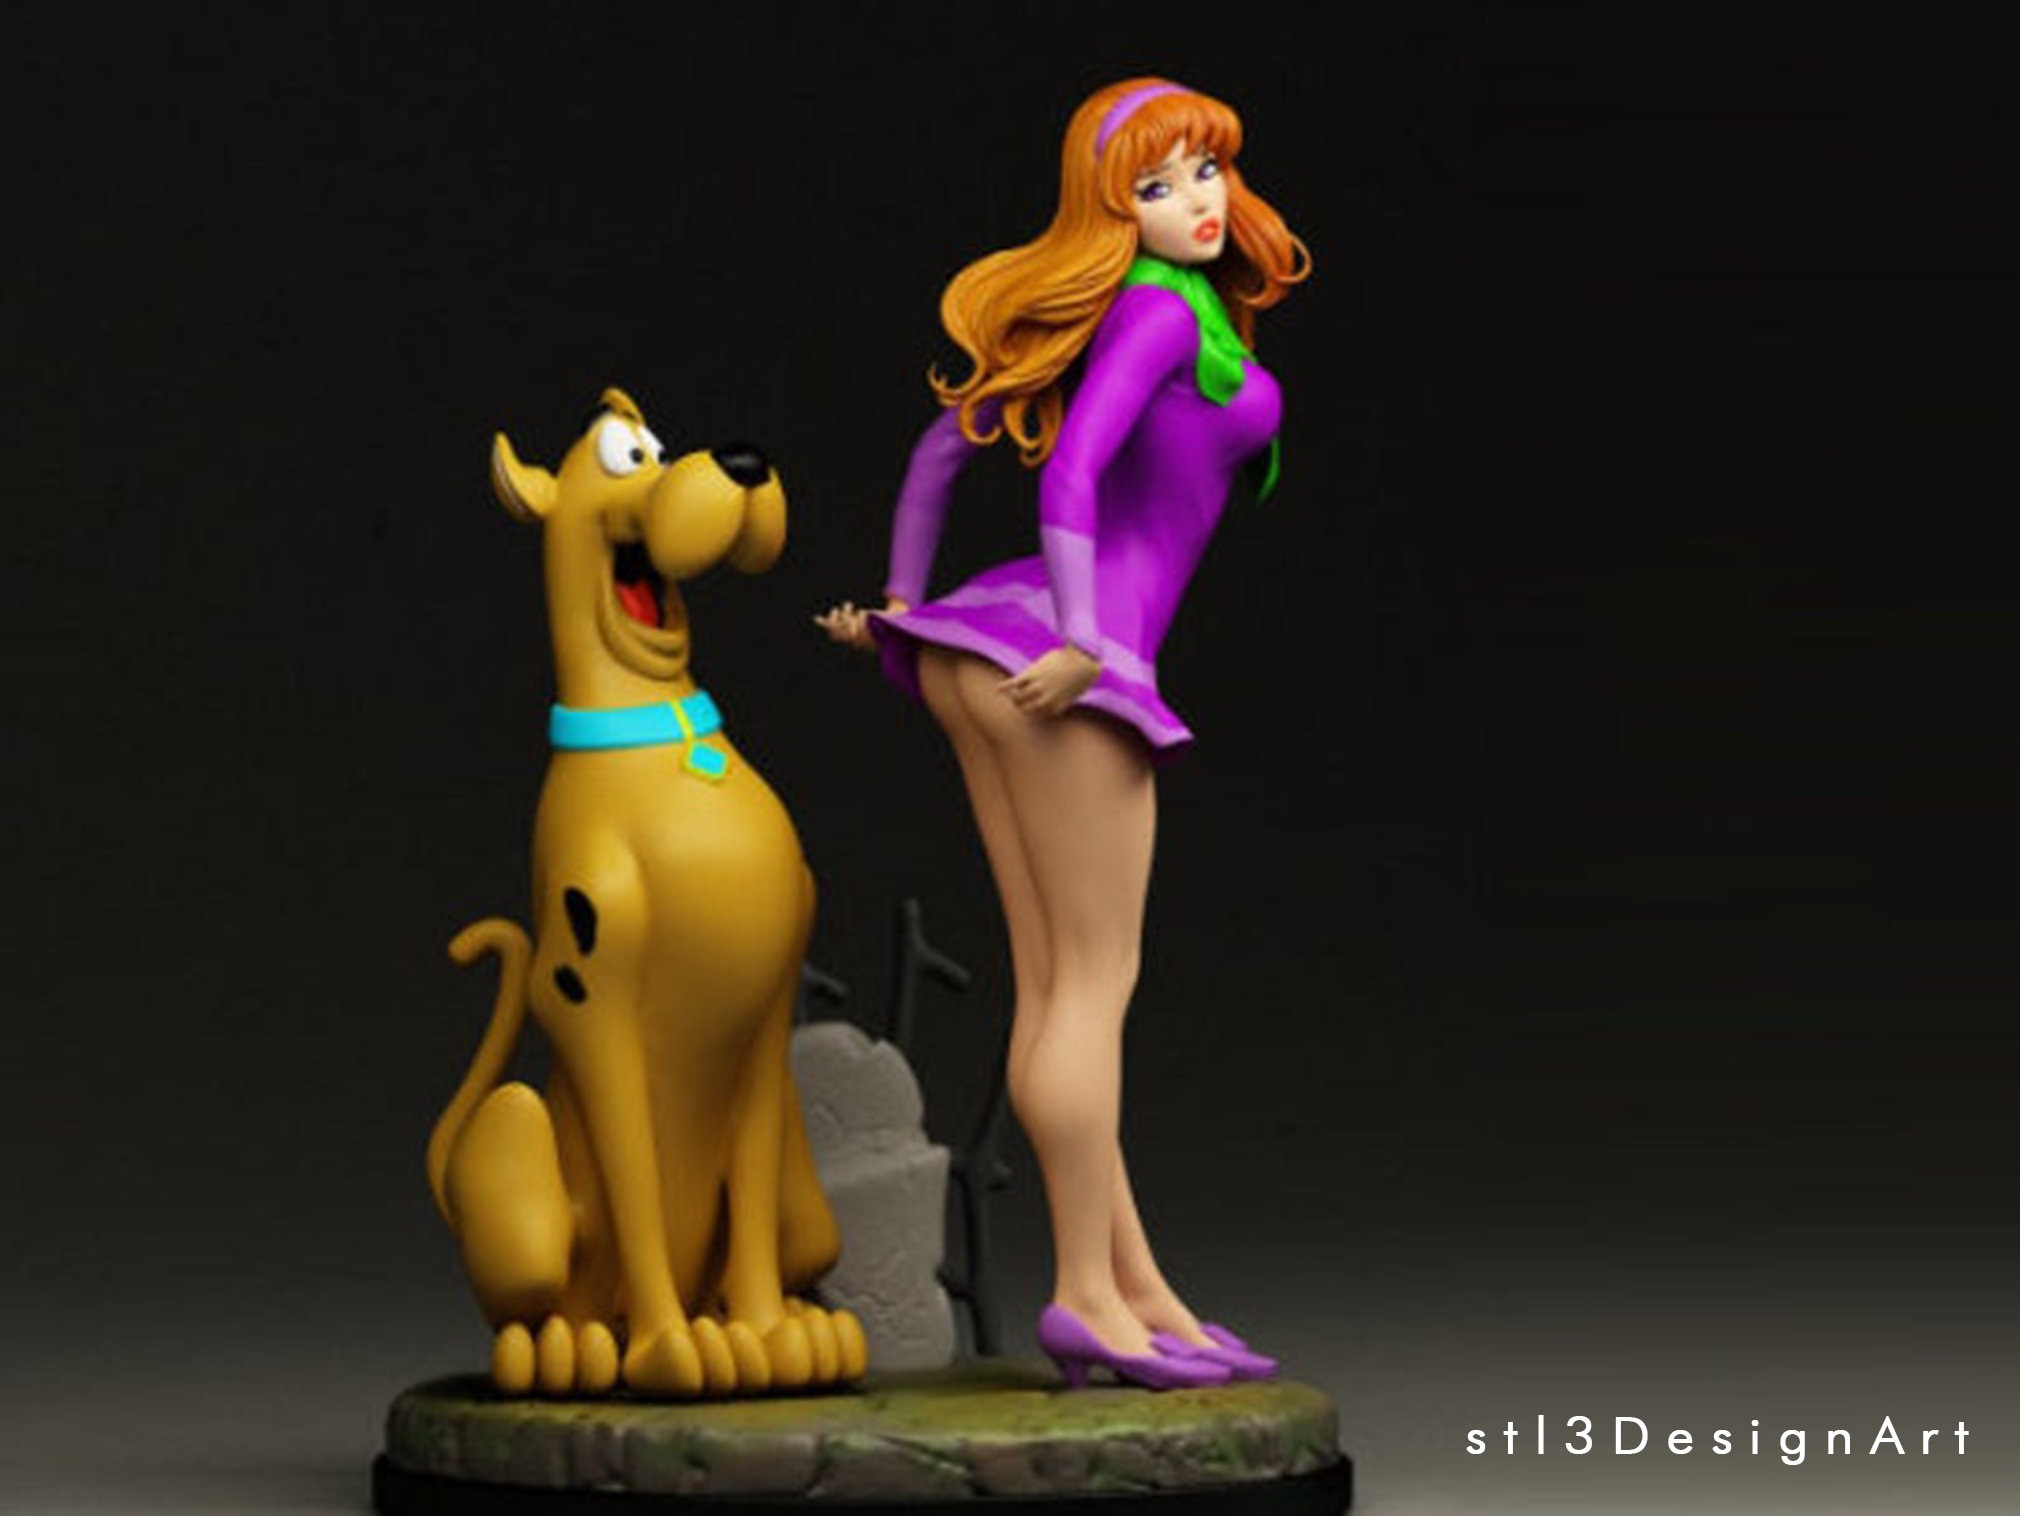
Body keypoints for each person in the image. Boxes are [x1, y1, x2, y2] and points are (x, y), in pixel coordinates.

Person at [819, 76, 1308, 1390]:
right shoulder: (1157, 313)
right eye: (1155, 184)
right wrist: (1089, 638)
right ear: (1111, 210)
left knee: (1060, 990)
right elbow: (1078, 464)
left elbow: (938, 454)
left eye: (1205, 169)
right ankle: (1087, 1295)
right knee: (1092, 990)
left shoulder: (1129, 310)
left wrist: (903, 603)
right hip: (1070, 659)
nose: (1195, 200)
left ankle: (1137, 1286)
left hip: (987, 643)